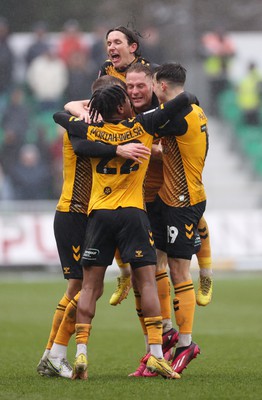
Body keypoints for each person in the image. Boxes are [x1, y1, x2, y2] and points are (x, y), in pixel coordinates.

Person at [53, 84, 197, 380]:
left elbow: (59, 116)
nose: (132, 100)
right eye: (127, 98)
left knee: (90, 286)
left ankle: (81, 351)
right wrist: (165, 92)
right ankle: (156, 354)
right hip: (133, 215)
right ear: (121, 107)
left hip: (99, 216)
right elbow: (185, 101)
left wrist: (84, 112)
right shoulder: (142, 124)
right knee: (146, 282)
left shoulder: (90, 131)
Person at [36, 75, 151, 379]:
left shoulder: (98, 128)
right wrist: (118, 149)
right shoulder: (83, 131)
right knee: (79, 287)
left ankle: (52, 353)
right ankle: (56, 352)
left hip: (91, 213)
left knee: (89, 286)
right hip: (73, 212)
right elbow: (83, 142)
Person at [152, 63, 209, 373]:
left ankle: (186, 343)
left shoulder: (177, 115)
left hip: (182, 202)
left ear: (162, 86)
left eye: (151, 85)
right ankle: (167, 327)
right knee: (159, 262)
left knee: (178, 270)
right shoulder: (196, 110)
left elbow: (144, 128)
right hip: (169, 198)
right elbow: (177, 150)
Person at [98, 25, 157, 306]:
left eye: (117, 42)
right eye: (108, 42)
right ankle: (122, 272)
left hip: (146, 142)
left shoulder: (148, 70)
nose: (111, 47)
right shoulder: (105, 70)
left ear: (132, 47)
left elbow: (159, 107)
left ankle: (203, 263)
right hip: (119, 143)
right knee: (116, 211)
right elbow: (98, 107)